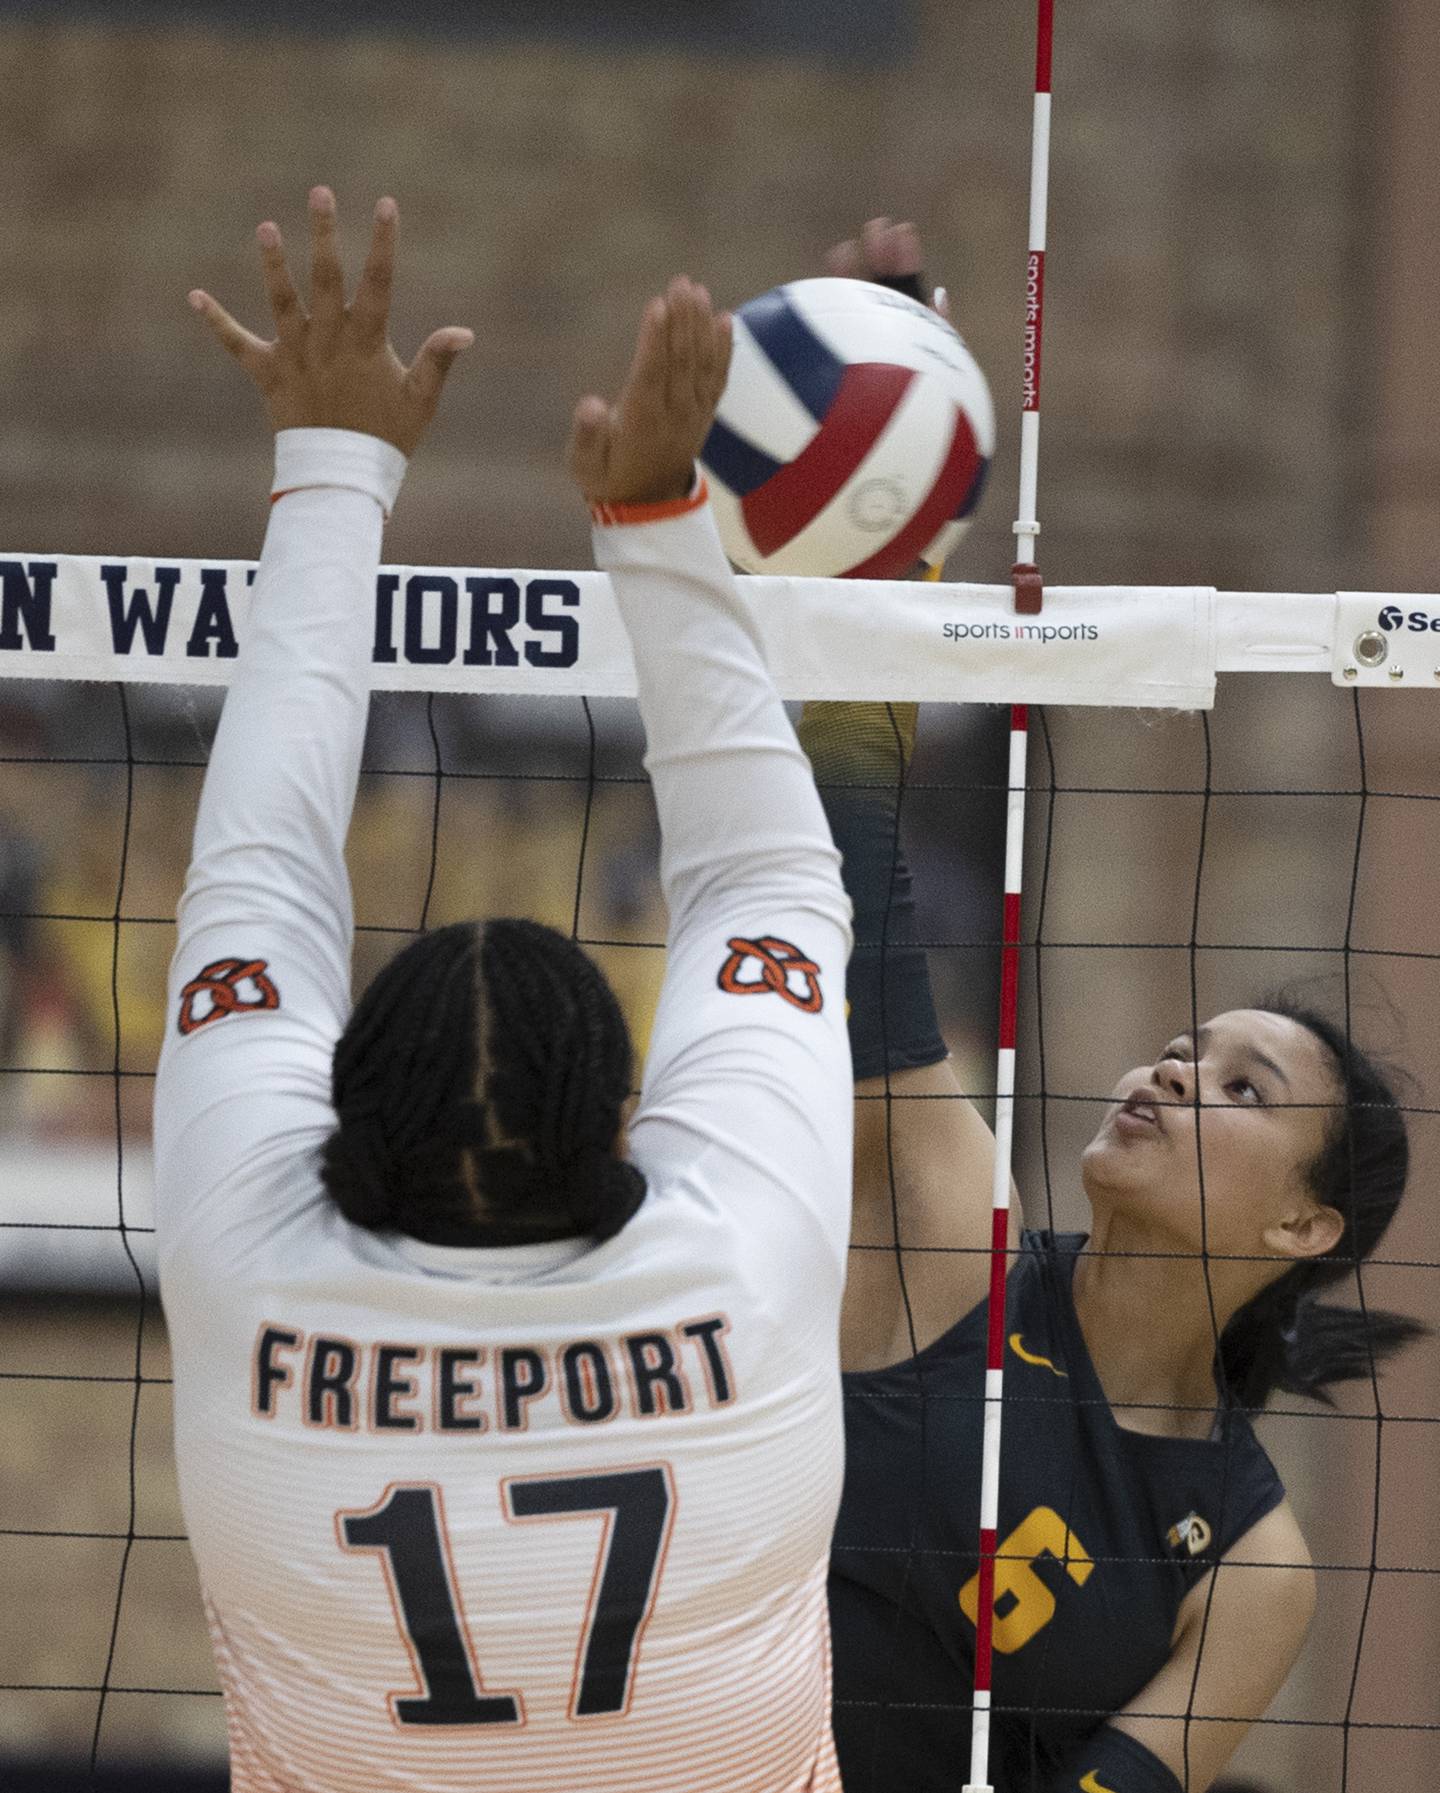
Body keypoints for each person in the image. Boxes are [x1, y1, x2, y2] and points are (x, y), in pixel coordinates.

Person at [158, 187, 854, 1792]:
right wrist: (652, 513)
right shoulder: (740, 1252)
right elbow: (766, 881)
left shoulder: (244, 1263)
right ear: (621, 1112)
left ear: (342, 1105)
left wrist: (352, 465)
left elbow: (259, 879)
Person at [817, 223, 1424, 1793]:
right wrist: (884, 487)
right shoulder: (968, 1243)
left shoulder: (1254, 1562)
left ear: (1306, 1226)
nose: (1169, 1071)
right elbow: (860, 900)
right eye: (1187, 1047)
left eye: (1238, 1089)